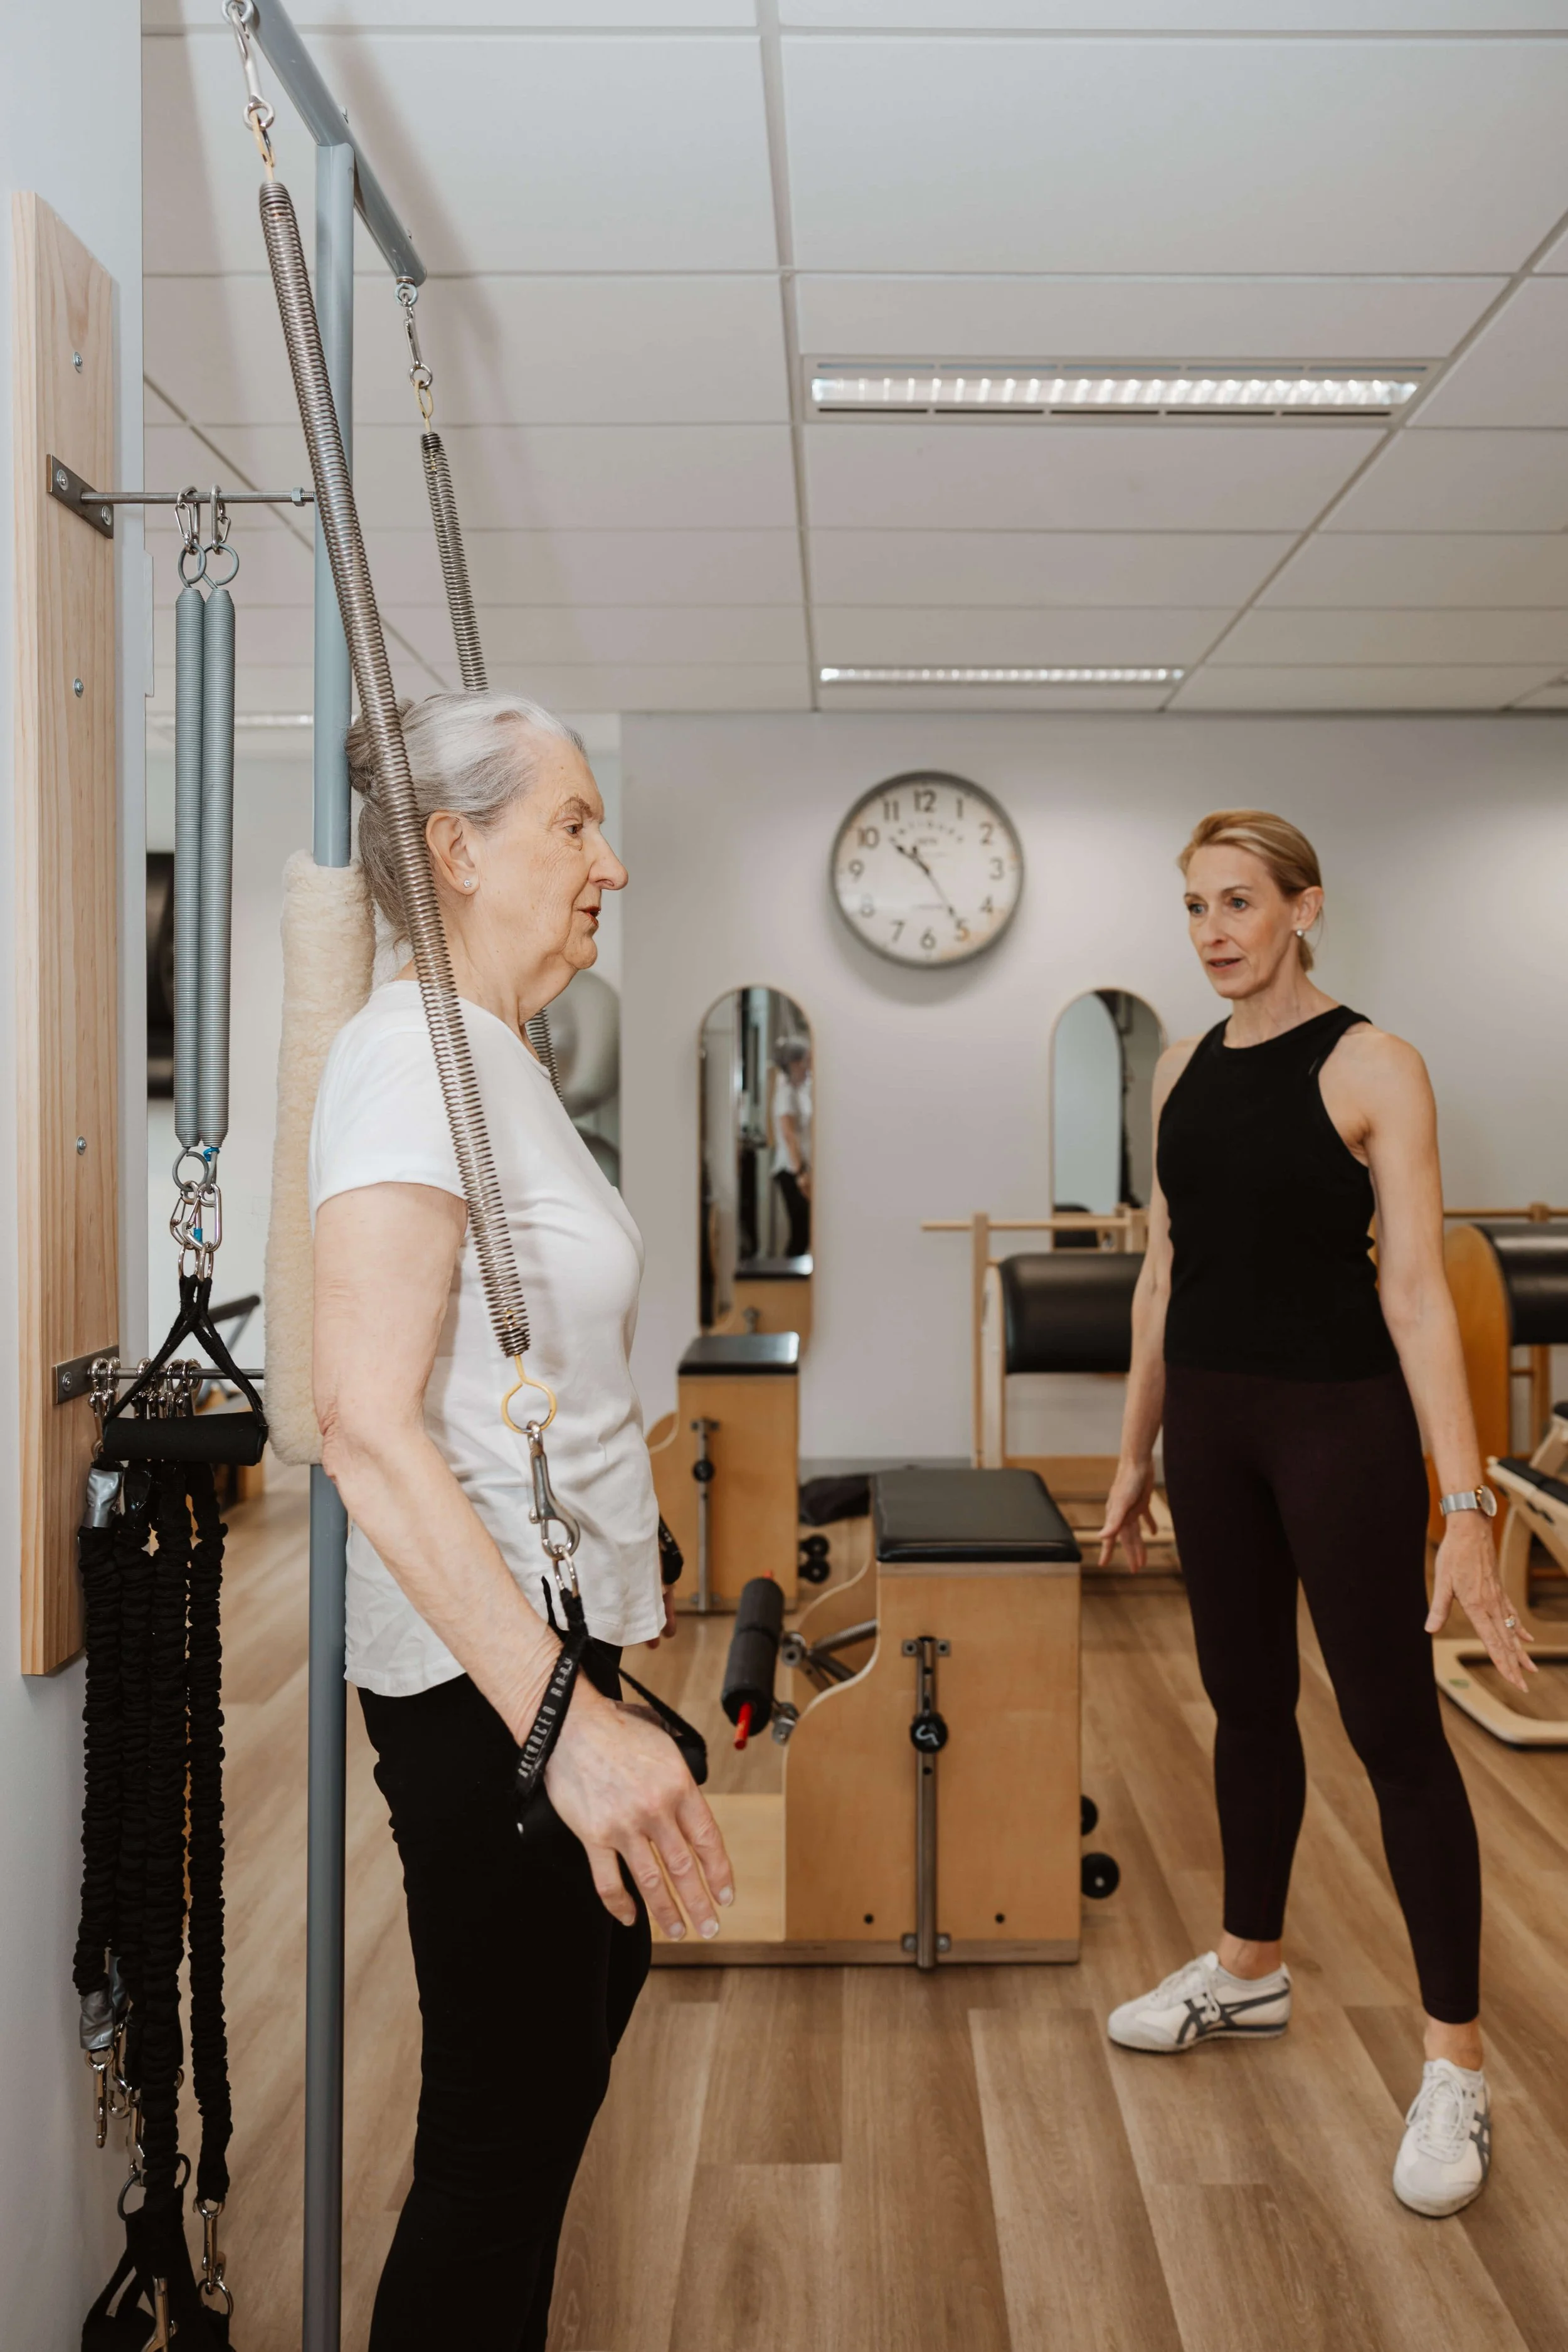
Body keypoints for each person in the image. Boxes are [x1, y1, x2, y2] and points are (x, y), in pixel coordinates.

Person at [309, 692, 733, 2351]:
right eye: (572, 823)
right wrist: (564, 1721)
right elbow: (360, 1419)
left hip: (543, 1659)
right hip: (489, 1690)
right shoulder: (411, 1056)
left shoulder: (490, 1062)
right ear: (449, 846)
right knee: (498, 2152)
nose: (608, 863)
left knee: (548, 2072)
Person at [1099, 808, 1532, 2220]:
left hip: (1337, 1429)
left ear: (1303, 909)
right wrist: (1131, 1454)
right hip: (1213, 1431)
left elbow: (1413, 1294)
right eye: (1192, 908)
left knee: (1394, 1736)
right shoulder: (1172, 1069)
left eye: (1236, 902)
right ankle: (1247, 1969)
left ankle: (1452, 2062)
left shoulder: (1371, 1066)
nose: (1211, 930)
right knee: (1244, 1706)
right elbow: (1162, 1277)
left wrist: (1460, 1508)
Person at [770, 1035, 812, 1257]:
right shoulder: (785, 1094)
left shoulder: (801, 1091)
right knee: (801, 1232)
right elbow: (789, 1135)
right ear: (793, 1064)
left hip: (803, 1168)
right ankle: (788, 1287)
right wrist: (800, 1173)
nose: (808, 1066)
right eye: (805, 1061)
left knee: (806, 1232)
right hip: (791, 1170)